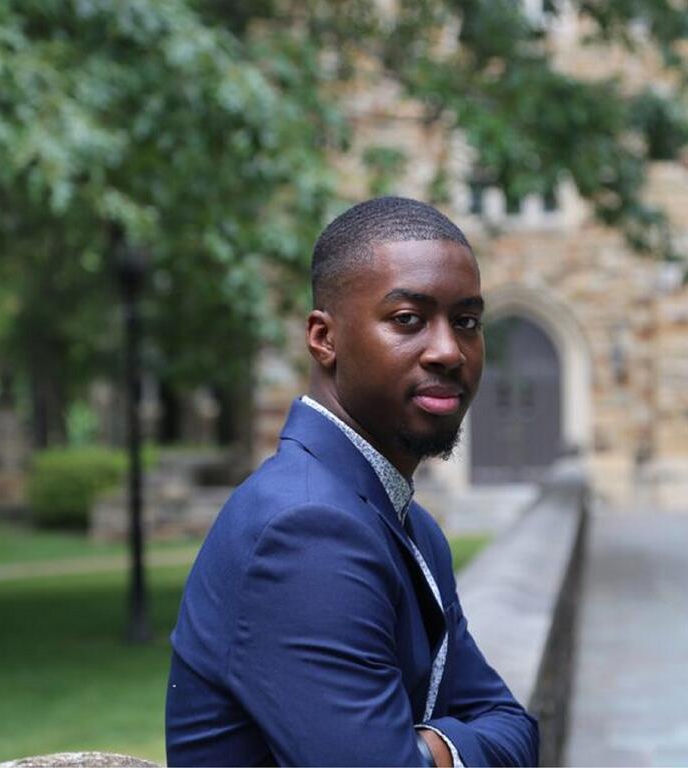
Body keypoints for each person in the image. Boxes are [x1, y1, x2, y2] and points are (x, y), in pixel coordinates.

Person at [165, 196, 539, 767]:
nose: (448, 350)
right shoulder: (305, 529)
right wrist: (450, 744)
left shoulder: (407, 522)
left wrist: (430, 747)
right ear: (324, 338)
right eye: (408, 320)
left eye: (466, 322)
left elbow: (516, 727)